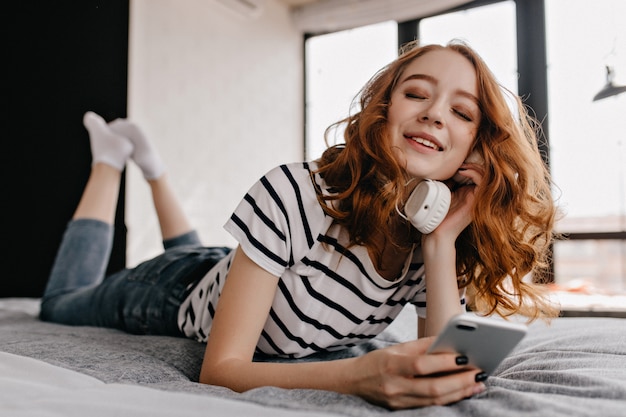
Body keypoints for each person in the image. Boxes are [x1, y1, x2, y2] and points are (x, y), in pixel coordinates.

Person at [40, 40, 559, 409]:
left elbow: (441, 361)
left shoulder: (435, 234)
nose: (435, 114)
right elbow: (219, 370)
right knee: (59, 303)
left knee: (214, 259)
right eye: (416, 93)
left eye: (462, 113)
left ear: (475, 150)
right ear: (382, 110)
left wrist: (442, 240)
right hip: (171, 291)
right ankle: (110, 161)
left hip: (239, 273)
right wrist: (361, 374)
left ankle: (154, 172)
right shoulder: (293, 192)